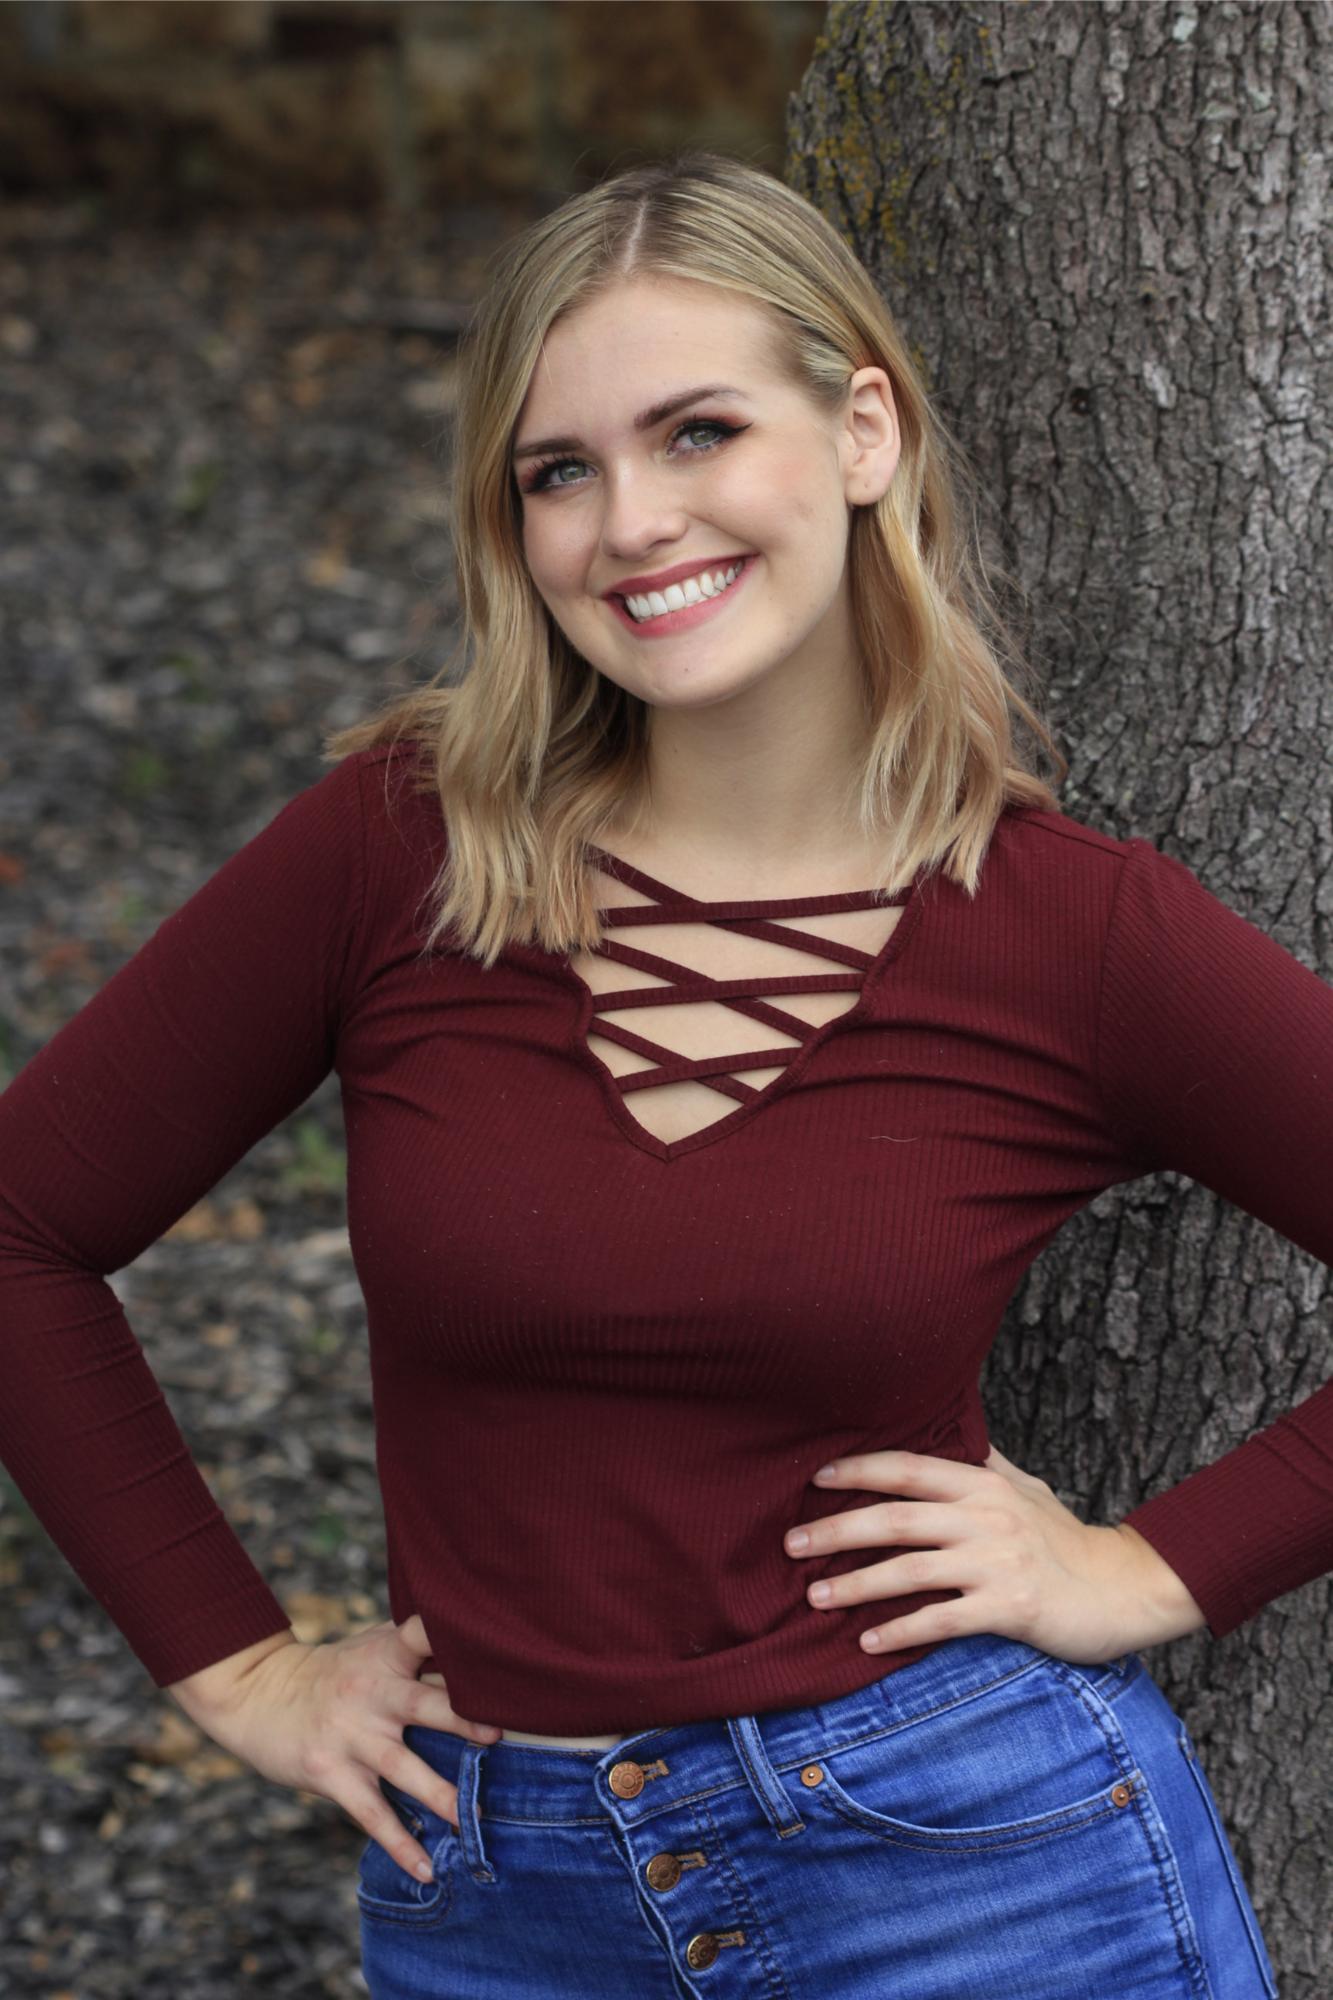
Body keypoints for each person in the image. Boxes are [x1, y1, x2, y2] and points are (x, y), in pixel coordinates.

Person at [0, 148, 1323, 1998]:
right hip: (498, 1897)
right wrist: (239, 1669)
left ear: (860, 431)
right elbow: (23, 1224)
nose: (628, 522)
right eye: (559, 470)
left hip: (975, 1878)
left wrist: (1150, 1569)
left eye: (698, 431)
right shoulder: (402, 853)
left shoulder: (1065, 929)